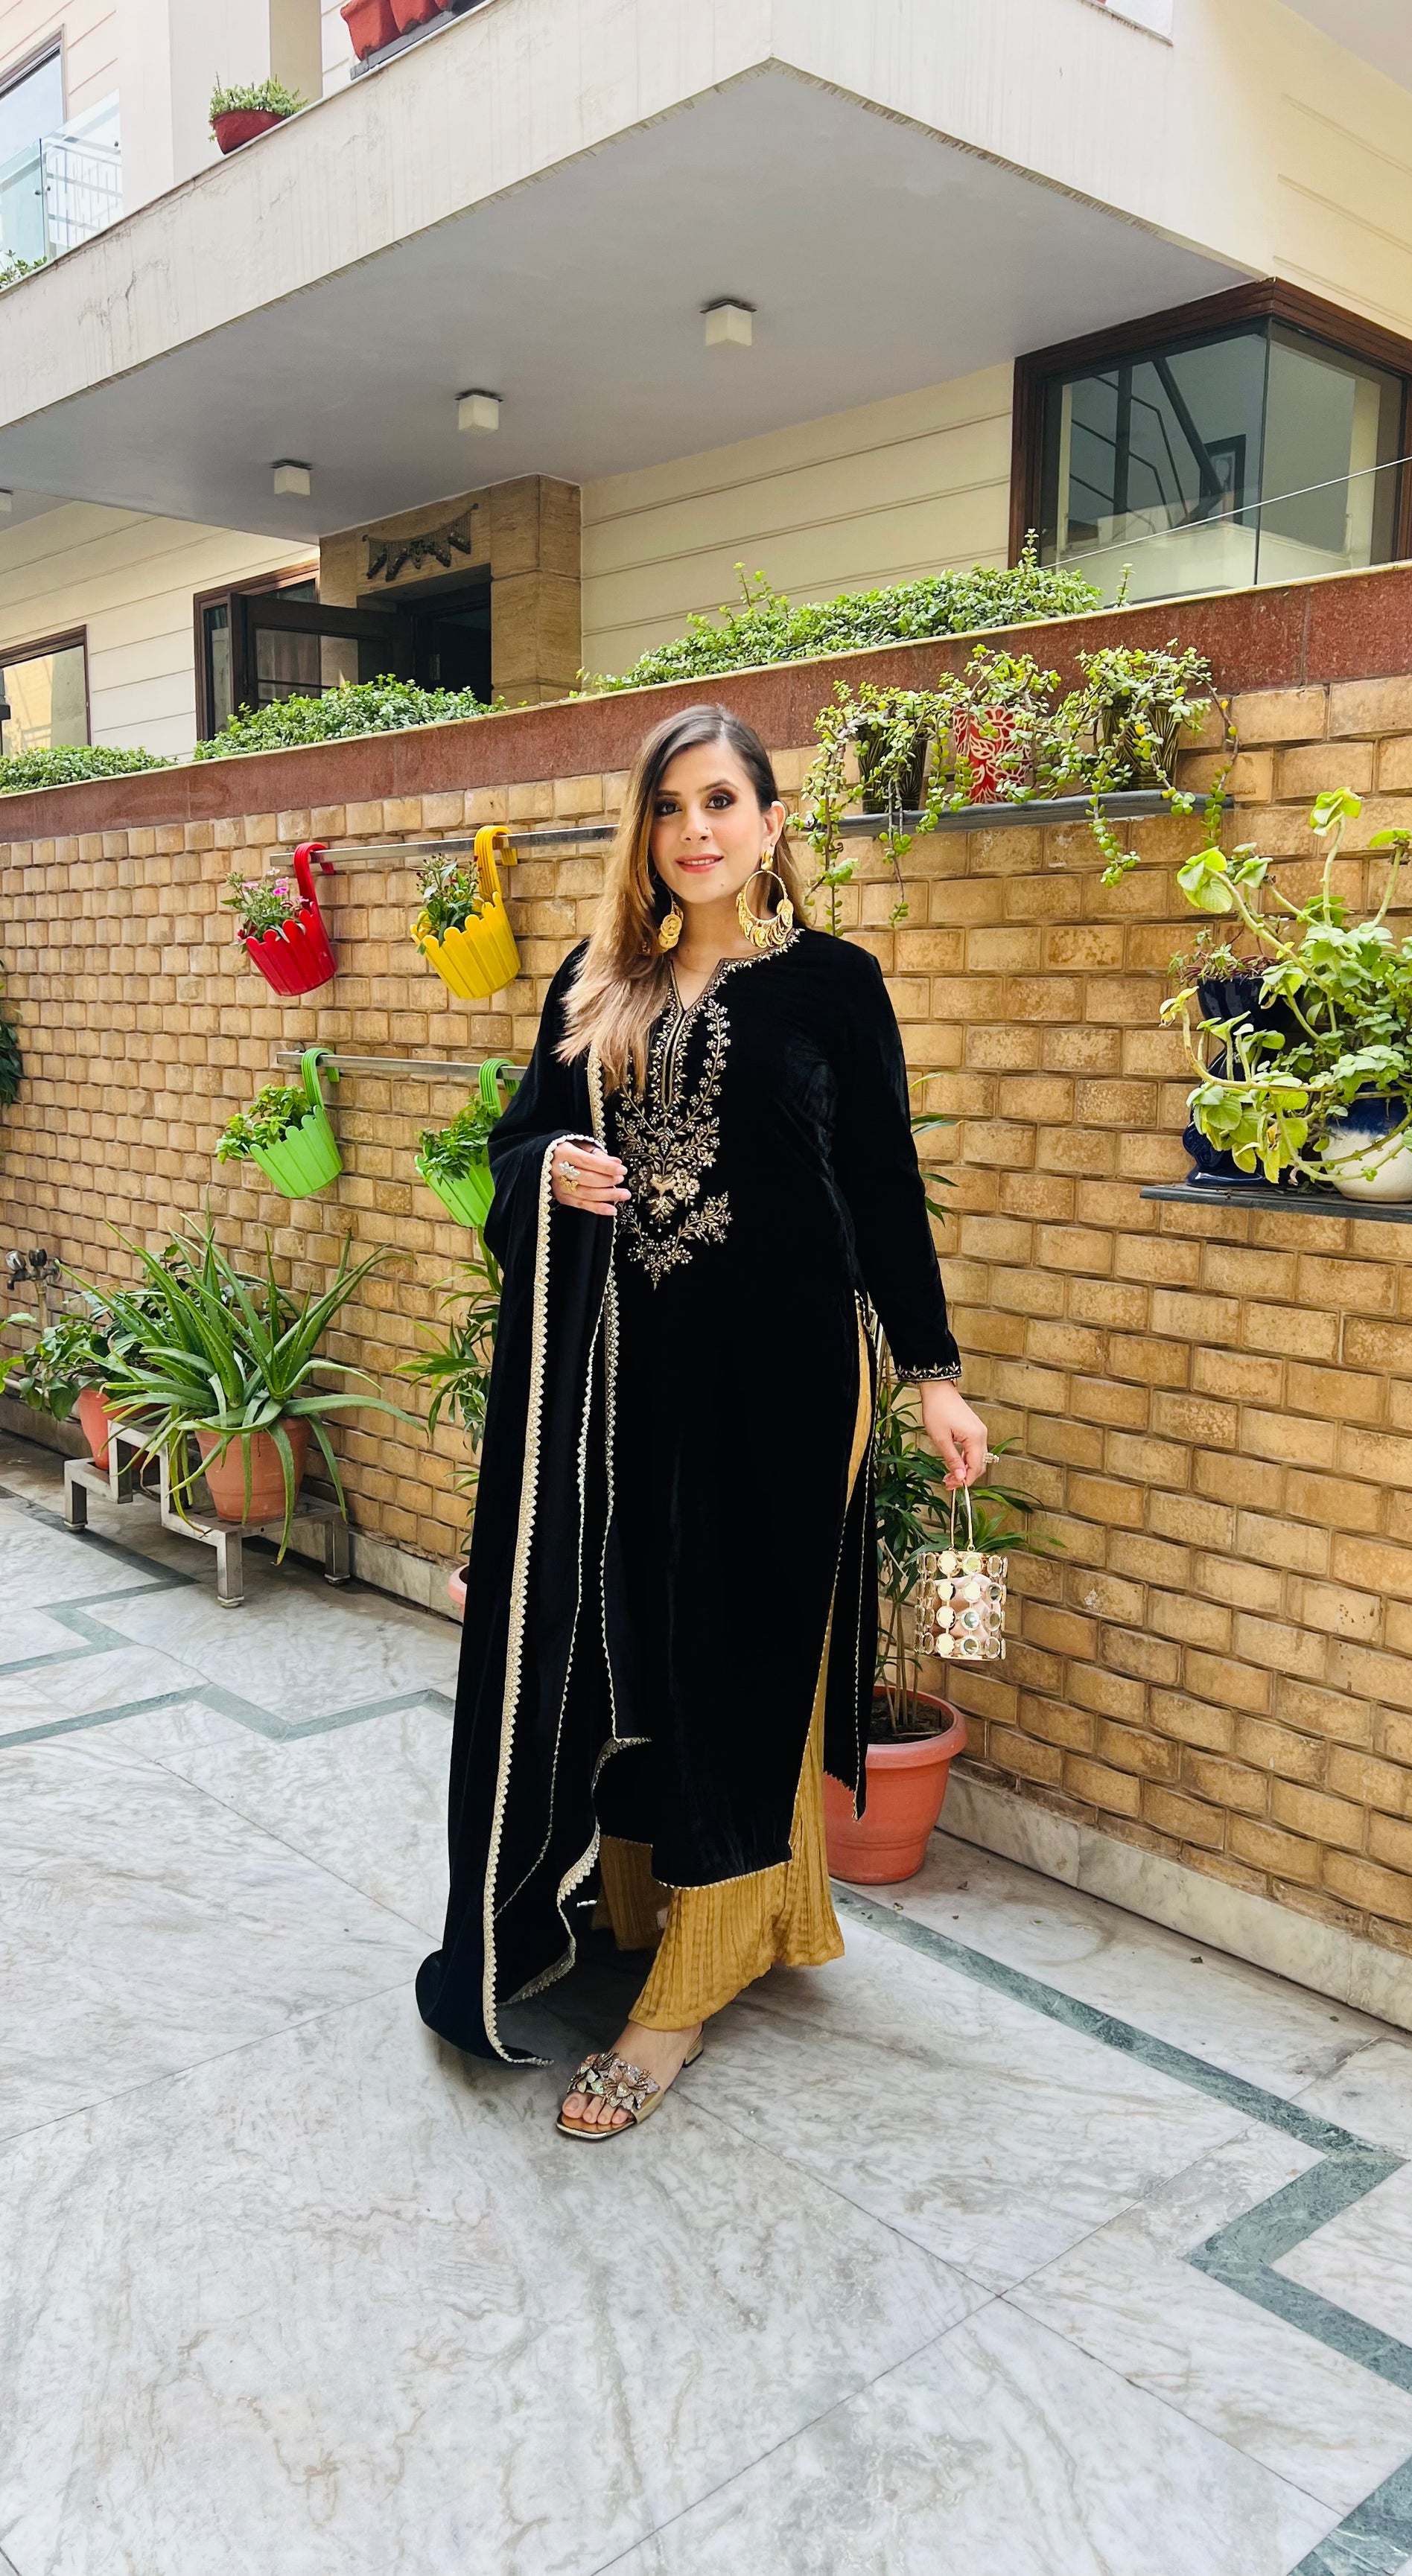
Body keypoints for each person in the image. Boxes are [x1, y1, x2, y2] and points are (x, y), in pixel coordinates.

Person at [416, 704, 988, 2135]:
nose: (695, 831)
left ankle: (689, 1985)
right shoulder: (593, 980)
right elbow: (514, 1146)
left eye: (721, 801)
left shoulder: (834, 986)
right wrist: (551, 1166)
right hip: (624, 1379)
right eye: (670, 806)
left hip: (787, 1382)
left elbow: (882, 1187)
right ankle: (637, 1902)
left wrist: (932, 1373)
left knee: (737, 1650)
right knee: (634, 1639)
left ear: (771, 823)